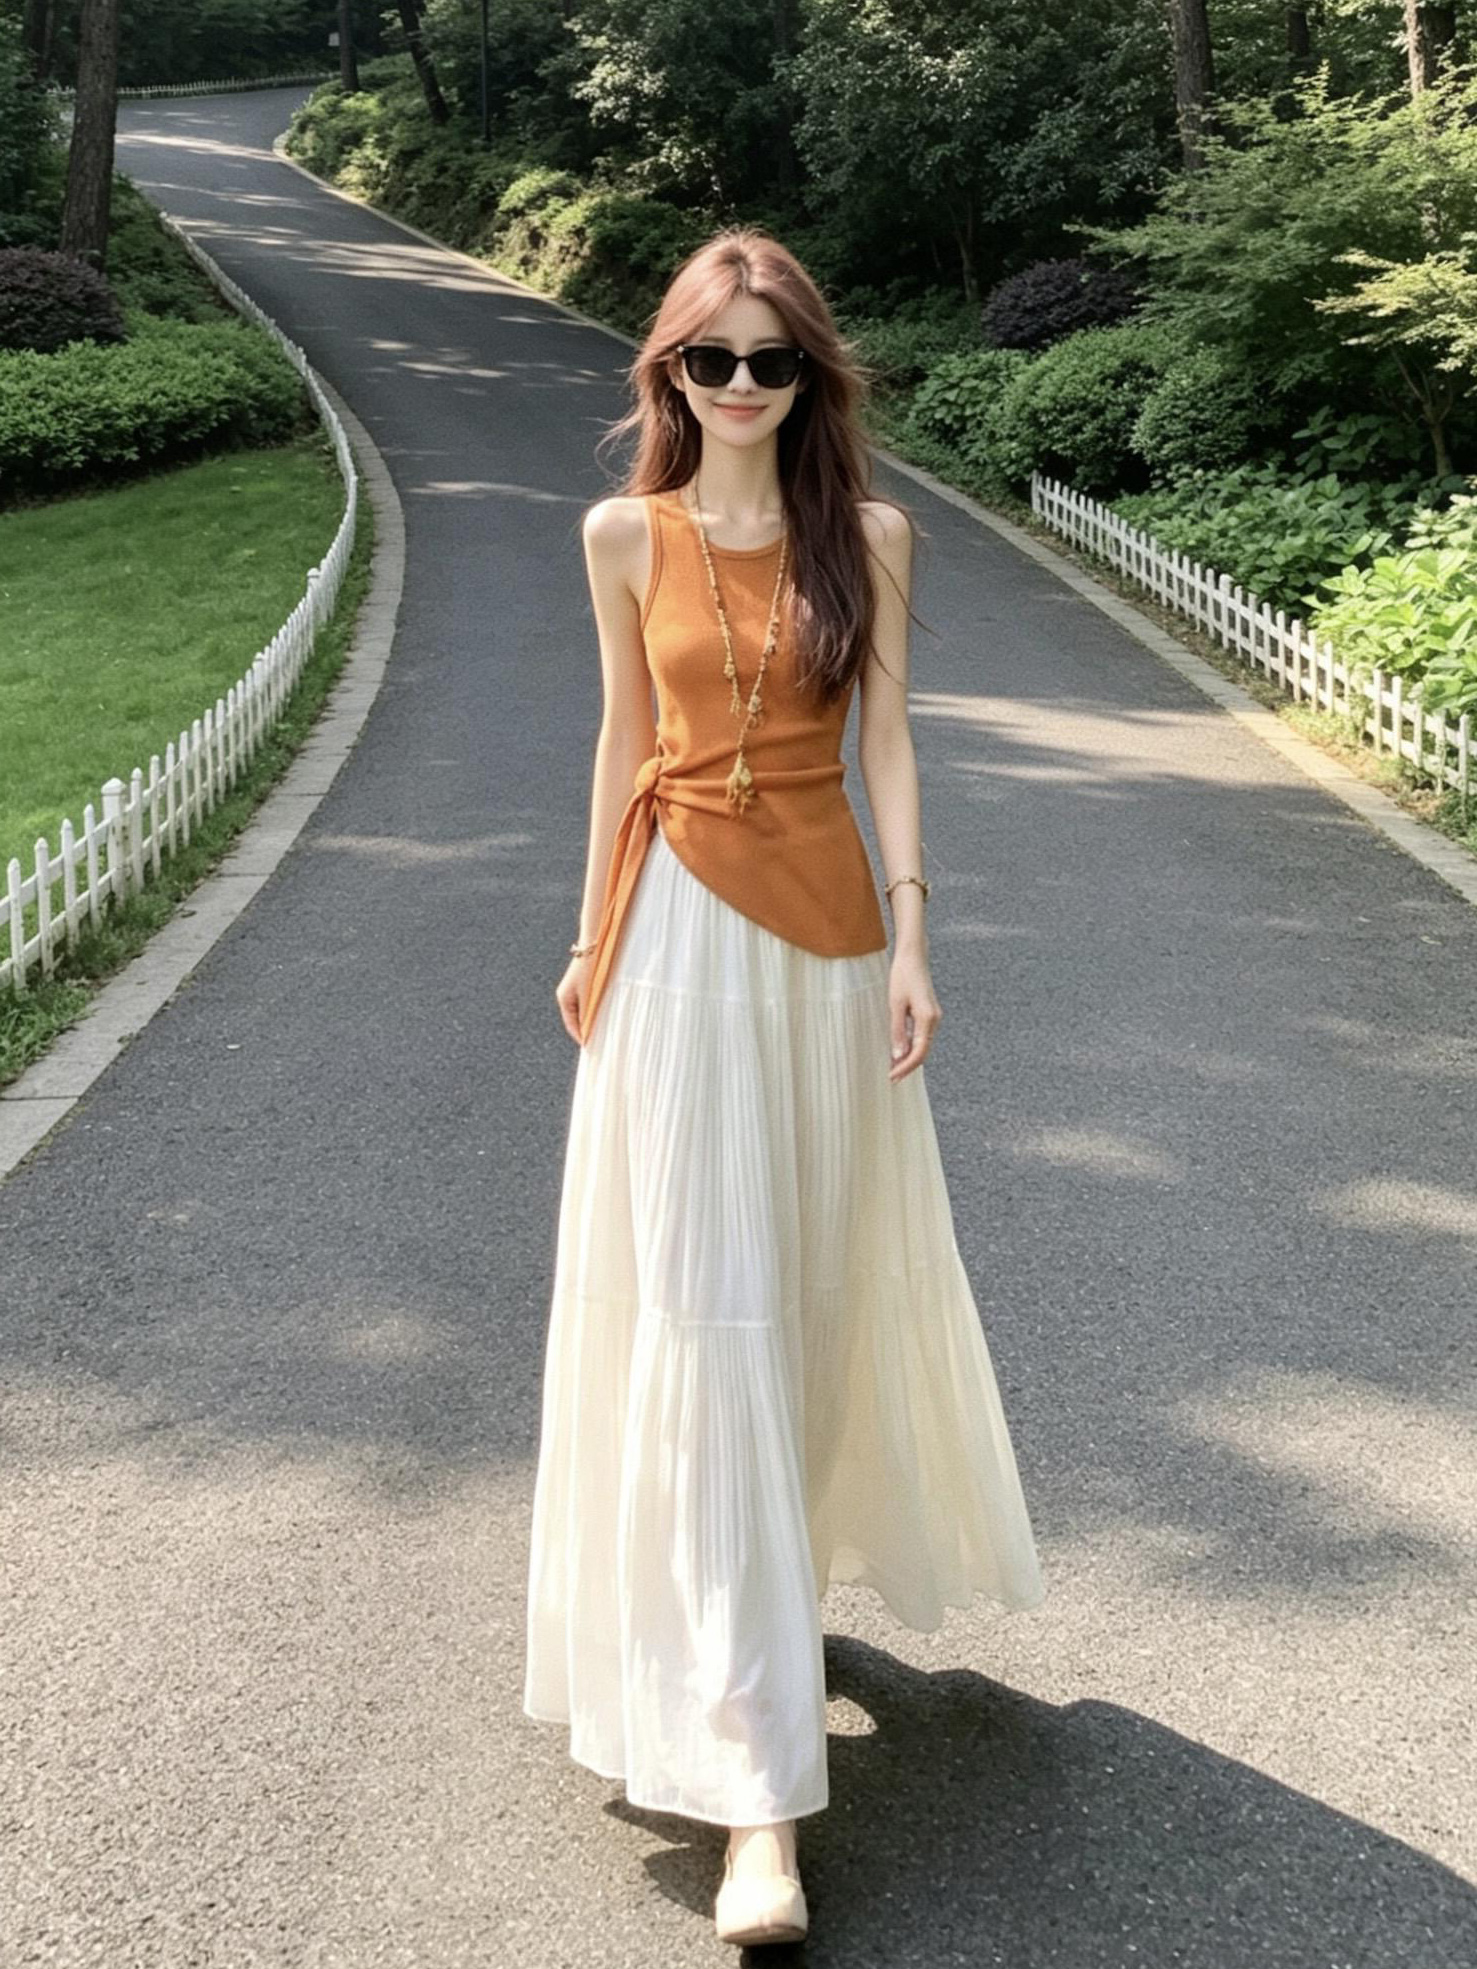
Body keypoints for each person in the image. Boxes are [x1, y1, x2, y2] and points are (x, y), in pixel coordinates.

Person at [523, 225, 1045, 1947]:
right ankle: (757, 1792)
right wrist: (589, 933)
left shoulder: (869, 539)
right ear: (667, 370)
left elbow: (885, 743)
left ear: (808, 376)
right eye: (709, 358)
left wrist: (915, 937)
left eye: (768, 359)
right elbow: (623, 744)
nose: (737, 385)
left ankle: (775, 1574)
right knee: (707, 1305)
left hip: (826, 956)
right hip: (674, 949)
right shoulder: (621, 535)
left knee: (806, 1290)